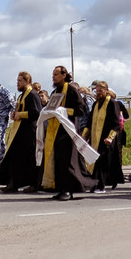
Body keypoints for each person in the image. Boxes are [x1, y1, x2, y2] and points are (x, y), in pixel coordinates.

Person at [40, 65, 91, 201]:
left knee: (67, 162)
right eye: (53, 74)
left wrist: (64, 111)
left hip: (67, 131)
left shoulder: (72, 90)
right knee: (58, 161)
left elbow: (81, 110)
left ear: (64, 75)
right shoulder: (55, 91)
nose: (53, 77)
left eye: (56, 74)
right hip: (55, 131)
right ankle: (60, 189)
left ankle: (68, 190)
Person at [0, 71, 42, 192]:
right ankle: (14, 183)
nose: (18, 83)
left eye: (20, 81)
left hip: (30, 132)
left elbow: (37, 112)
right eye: (17, 81)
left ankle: (33, 184)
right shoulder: (22, 96)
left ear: (27, 81)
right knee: (15, 158)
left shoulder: (33, 95)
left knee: (30, 159)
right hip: (20, 132)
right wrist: (14, 114)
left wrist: (20, 115)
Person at [81, 81, 125, 193]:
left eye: (101, 90)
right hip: (95, 138)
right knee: (95, 161)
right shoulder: (96, 104)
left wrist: (110, 137)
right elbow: (89, 122)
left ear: (106, 91)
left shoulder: (112, 103)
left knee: (103, 162)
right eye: (97, 91)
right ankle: (94, 184)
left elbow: (116, 123)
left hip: (107, 138)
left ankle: (101, 186)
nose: (99, 93)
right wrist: (84, 135)